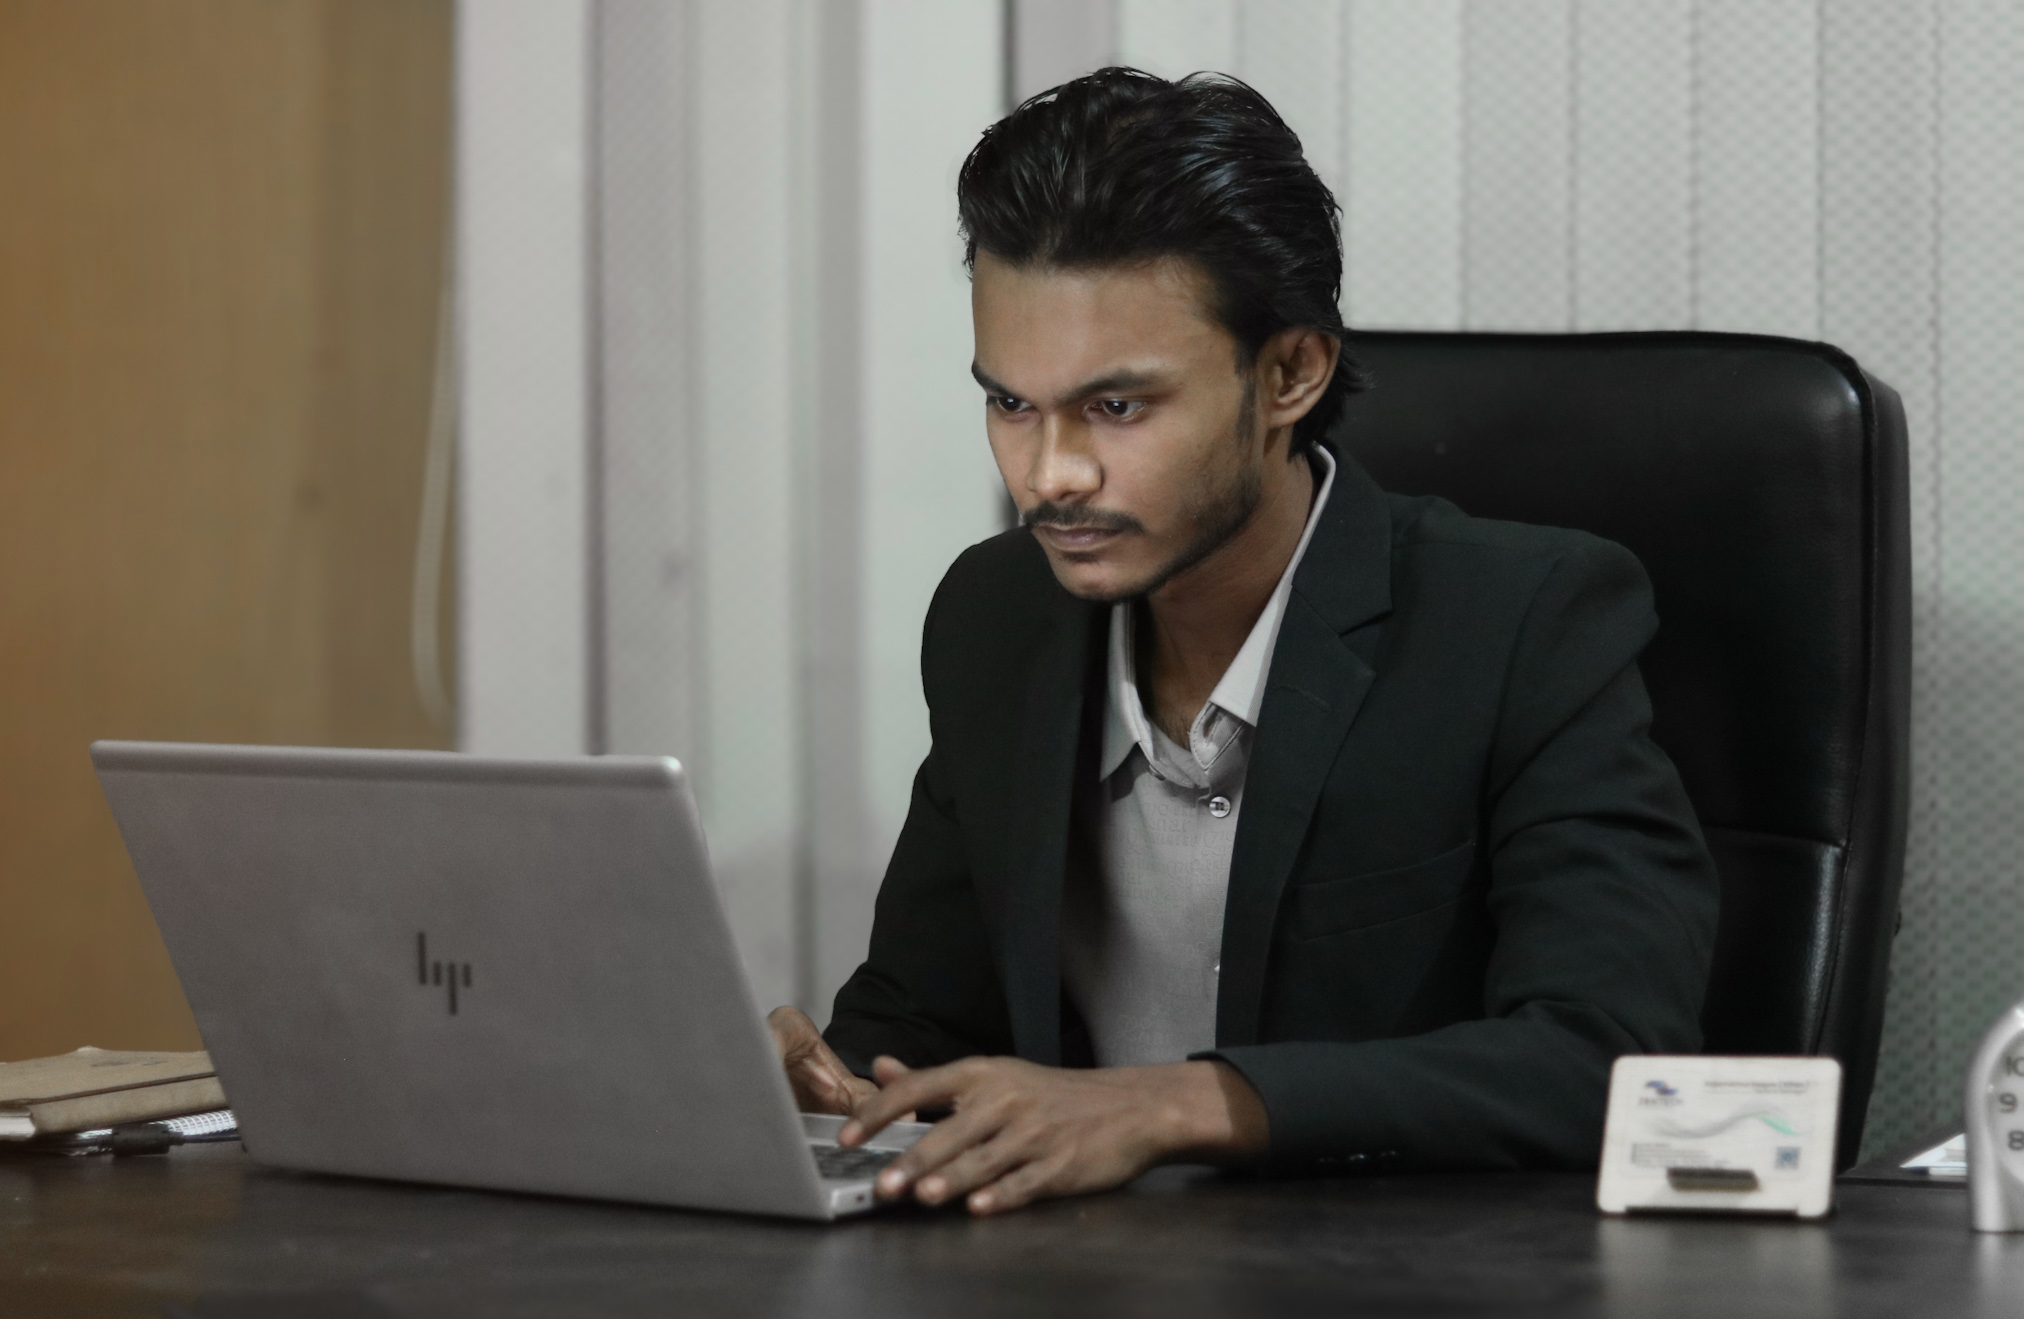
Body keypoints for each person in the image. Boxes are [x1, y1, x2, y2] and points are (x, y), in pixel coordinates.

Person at [767, 67, 1719, 1216]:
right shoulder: (995, 614)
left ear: (1287, 373)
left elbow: (1609, 1059)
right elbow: (920, 1020)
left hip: (1400, 1276)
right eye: (1011, 404)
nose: (1048, 474)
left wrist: (1171, 1103)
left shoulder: (1521, 621)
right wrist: (817, 1090)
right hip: (1070, 1279)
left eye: (1116, 407)